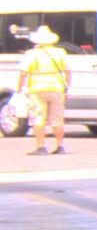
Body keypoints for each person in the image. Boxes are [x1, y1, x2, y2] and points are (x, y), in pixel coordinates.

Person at [17, 24, 71, 155]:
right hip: (57, 88)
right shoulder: (60, 53)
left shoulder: (32, 54)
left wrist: (19, 89)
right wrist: (66, 89)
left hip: (37, 89)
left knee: (39, 118)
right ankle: (60, 146)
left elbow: (23, 73)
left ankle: (41, 147)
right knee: (57, 119)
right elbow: (68, 72)